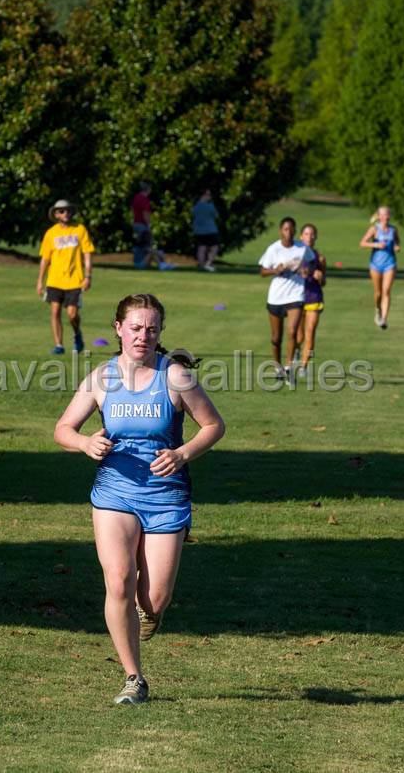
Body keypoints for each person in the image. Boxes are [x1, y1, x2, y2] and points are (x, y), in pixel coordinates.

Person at [53, 293, 226, 705]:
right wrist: (83, 442)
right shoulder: (101, 378)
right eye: (135, 327)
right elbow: (62, 428)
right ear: (118, 329)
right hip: (114, 491)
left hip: (166, 495)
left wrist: (182, 454)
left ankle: (144, 612)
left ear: (160, 332)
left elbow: (214, 425)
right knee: (118, 580)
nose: (142, 335)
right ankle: (134, 677)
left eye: (151, 328)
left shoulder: (176, 377)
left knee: (154, 597)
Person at [258, 216, 315, 376]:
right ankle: (278, 368)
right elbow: (262, 271)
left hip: (296, 295)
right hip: (276, 297)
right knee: (276, 338)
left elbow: (311, 262)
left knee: (292, 332)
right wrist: (275, 270)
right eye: (285, 229)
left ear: (295, 231)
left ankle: (289, 367)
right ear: (280, 231)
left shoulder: (302, 247)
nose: (289, 233)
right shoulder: (273, 249)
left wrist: (307, 270)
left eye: (291, 229)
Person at [36, 199, 94, 354]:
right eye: (61, 211)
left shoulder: (80, 230)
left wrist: (88, 276)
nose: (65, 213)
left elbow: (87, 254)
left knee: (72, 314)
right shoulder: (51, 233)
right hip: (54, 280)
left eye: (68, 210)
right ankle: (59, 345)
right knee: (55, 312)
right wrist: (40, 281)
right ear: (56, 214)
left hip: (75, 280)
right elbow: (45, 259)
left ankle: (77, 334)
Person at [292, 223, 325, 378]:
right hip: (296, 297)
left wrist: (320, 277)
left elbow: (324, 281)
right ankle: (297, 349)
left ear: (316, 237)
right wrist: (300, 273)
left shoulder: (320, 258)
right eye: (306, 233)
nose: (309, 237)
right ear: (301, 236)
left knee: (310, 332)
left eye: (312, 234)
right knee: (298, 335)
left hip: (314, 297)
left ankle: (304, 366)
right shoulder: (295, 255)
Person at [359, 206, 399, 329]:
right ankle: (378, 309)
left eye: (387, 215)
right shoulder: (374, 229)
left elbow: (397, 242)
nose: (385, 217)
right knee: (378, 292)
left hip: (390, 264)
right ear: (379, 216)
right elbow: (362, 243)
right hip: (376, 265)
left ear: (389, 216)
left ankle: (384, 319)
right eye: (382, 215)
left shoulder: (393, 230)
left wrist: (397, 247)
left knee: (386, 291)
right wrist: (376, 244)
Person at [132, 182, 175, 271]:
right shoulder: (144, 199)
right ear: (148, 189)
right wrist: (148, 224)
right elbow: (145, 213)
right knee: (147, 244)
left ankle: (161, 264)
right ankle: (162, 264)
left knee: (145, 246)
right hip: (142, 224)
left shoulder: (136, 197)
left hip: (136, 223)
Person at [191, 189, 221, 272]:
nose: (209, 197)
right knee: (214, 247)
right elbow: (216, 216)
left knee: (201, 247)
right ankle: (208, 263)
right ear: (204, 195)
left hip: (198, 230)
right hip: (210, 230)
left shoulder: (195, 206)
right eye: (208, 195)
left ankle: (201, 265)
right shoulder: (210, 206)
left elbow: (193, 215)